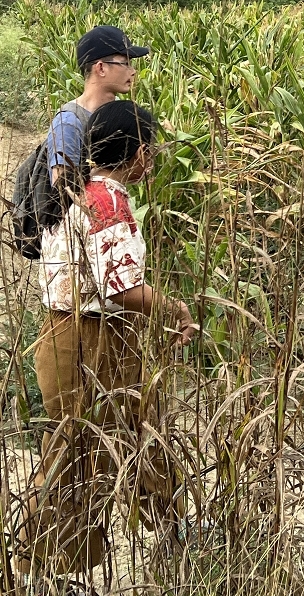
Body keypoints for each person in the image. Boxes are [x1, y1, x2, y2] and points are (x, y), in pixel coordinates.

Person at [16, 101, 196, 585]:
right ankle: (40, 567)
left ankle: (176, 536)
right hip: (93, 342)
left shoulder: (75, 190)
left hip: (63, 335)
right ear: (137, 153)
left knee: (125, 439)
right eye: (151, 147)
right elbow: (122, 288)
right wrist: (176, 310)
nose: (154, 156)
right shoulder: (107, 201)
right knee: (86, 454)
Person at [47, 24, 150, 190]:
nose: (133, 71)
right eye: (125, 63)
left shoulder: (117, 116)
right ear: (101, 68)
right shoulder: (69, 123)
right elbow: (63, 191)